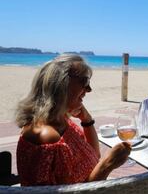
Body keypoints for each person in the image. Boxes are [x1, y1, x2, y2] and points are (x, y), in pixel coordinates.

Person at [15, 54, 131, 186]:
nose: (88, 89)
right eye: (84, 81)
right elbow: (77, 191)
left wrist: (87, 120)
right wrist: (107, 164)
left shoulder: (61, 121)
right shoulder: (49, 138)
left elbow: (93, 155)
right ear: (61, 84)